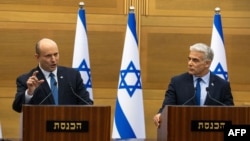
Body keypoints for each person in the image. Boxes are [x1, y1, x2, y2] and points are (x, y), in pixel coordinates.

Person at [153, 43, 234, 127]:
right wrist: (160, 114)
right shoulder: (177, 82)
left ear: (207, 63)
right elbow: (167, 107)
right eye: (189, 59)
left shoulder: (222, 85)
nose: (190, 63)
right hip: (183, 130)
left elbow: (230, 111)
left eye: (195, 60)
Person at [12, 38, 93, 113]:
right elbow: (18, 108)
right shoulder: (26, 80)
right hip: (40, 127)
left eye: (56, 54)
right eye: (48, 56)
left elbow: (87, 103)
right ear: (37, 57)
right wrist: (30, 92)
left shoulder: (72, 76)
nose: (53, 59)